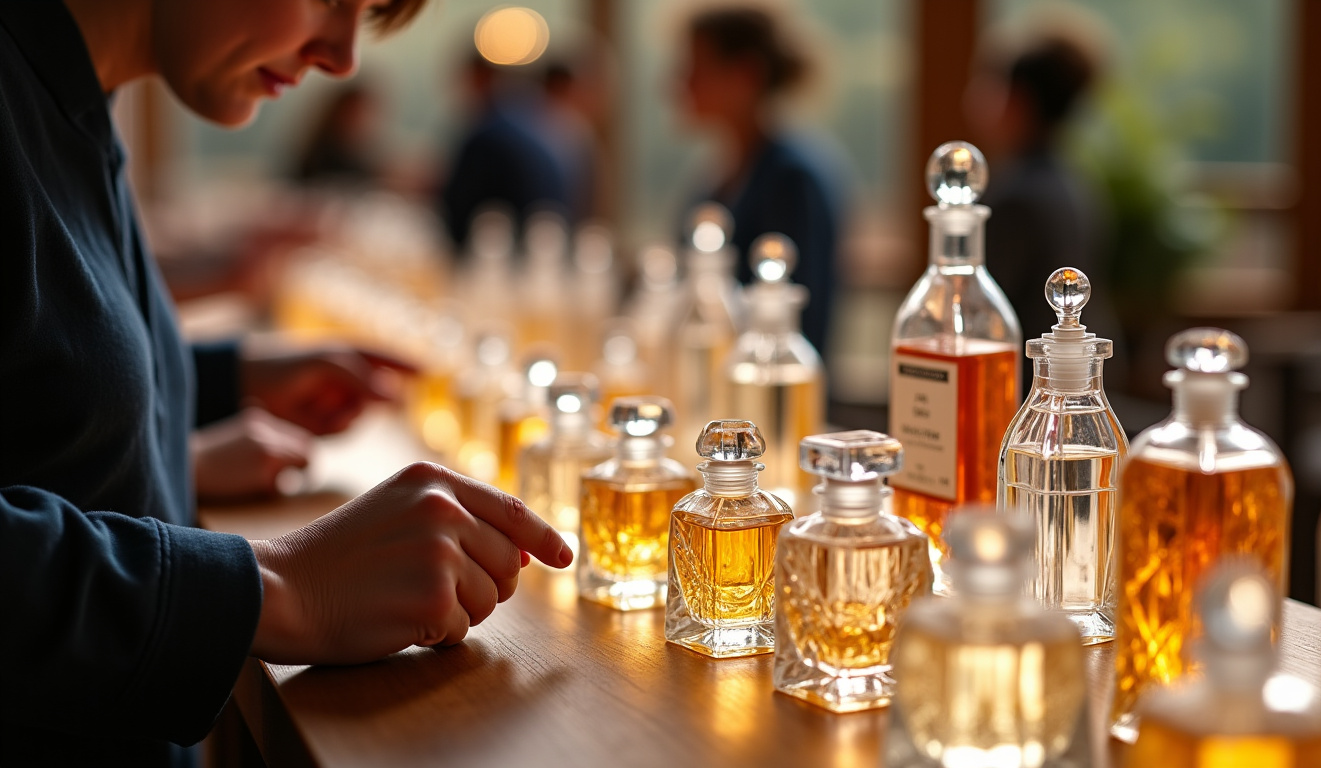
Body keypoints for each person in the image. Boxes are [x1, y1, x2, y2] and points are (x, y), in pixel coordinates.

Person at [0, 1, 572, 766]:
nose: (340, 56)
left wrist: (218, 383)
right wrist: (281, 587)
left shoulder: (72, 94)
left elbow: (34, 376)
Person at [677, 6, 847, 359]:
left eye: (696, 68)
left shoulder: (793, 178)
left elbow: (805, 323)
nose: (682, 82)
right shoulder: (720, 172)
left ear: (744, 75)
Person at [964, 26, 1124, 395]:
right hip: (1076, 385)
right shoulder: (1075, 182)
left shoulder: (1017, 197)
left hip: (1028, 397)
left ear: (1016, 100)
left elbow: (981, 321)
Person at [439, 52, 569, 252]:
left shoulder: (487, 136)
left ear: (481, 78)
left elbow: (457, 208)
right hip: (547, 246)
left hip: (506, 254)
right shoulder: (534, 123)